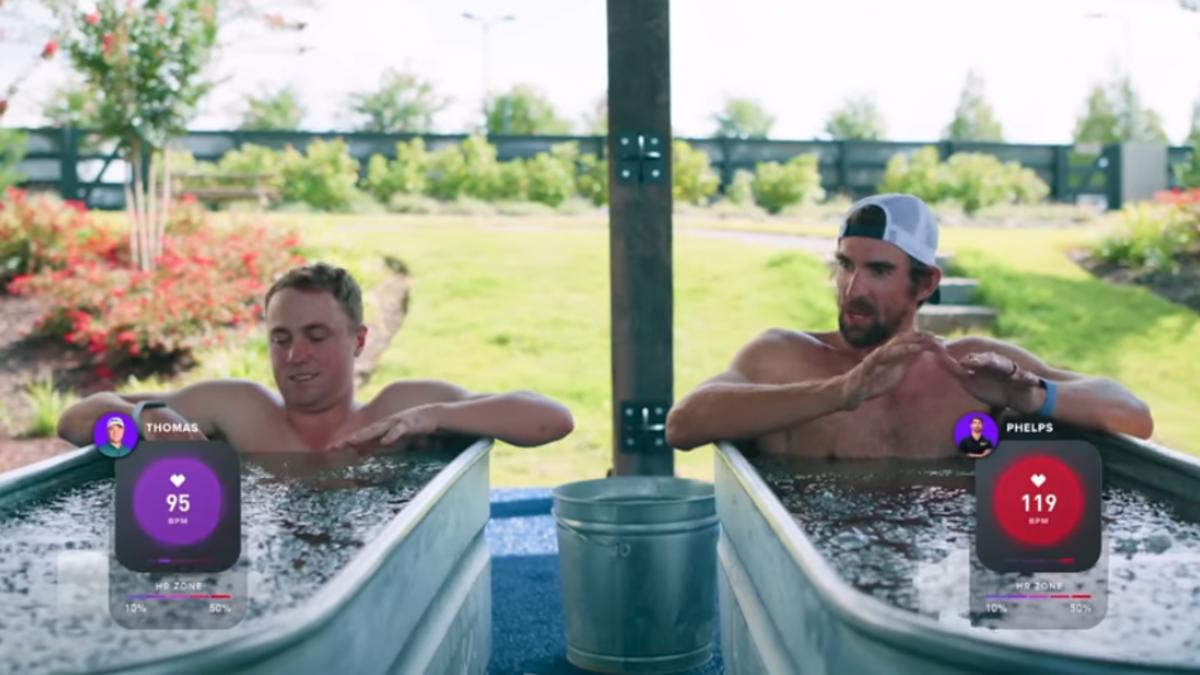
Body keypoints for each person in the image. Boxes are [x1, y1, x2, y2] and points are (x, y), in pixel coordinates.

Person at [666, 193, 1154, 459]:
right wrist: (841, 391)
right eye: (844, 265)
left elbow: (1134, 415)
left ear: (925, 283)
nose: (853, 289)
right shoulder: (784, 356)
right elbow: (682, 424)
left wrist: (1032, 397)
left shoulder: (969, 370)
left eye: (878, 271)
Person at [58, 263, 574, 454]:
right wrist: (148, 422)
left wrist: (436, 417)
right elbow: (75, 421)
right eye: (280, 337)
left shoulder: (398, 410)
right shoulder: (240, 410)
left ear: (357, 341)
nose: (295, 355)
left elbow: (551, 420)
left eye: (316, 335)